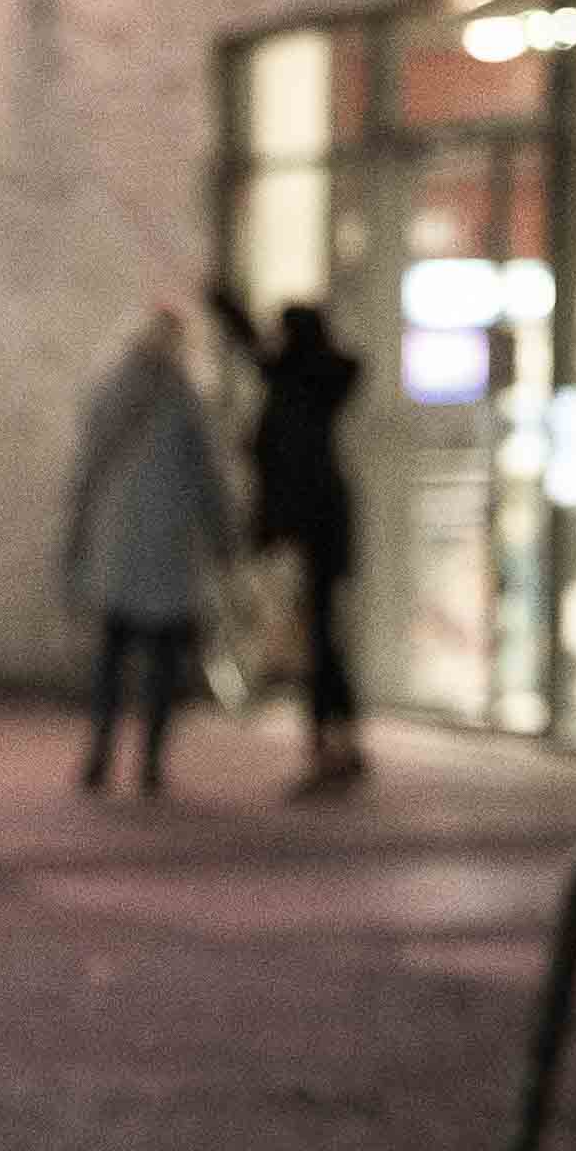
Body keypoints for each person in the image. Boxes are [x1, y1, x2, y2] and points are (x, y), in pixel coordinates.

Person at [59, 306, 229, 797]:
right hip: (170, 552)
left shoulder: (107, 390)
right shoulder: (186, 398)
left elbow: (87, 469)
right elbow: (208, 479)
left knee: (111, 658)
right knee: (162, 662)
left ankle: (100, 755)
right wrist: (222, 536)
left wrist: (77, 537)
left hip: (119, 549)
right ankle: (150, 764)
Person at [209, 282, 369, 793]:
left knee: (317, 642)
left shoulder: (295, 387)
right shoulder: (316, 383)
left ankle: (329, 746)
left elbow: (258, 350)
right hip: (323, 530)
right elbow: (257, 347)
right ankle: (338, 742)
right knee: (324, 639)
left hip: (305, 532)